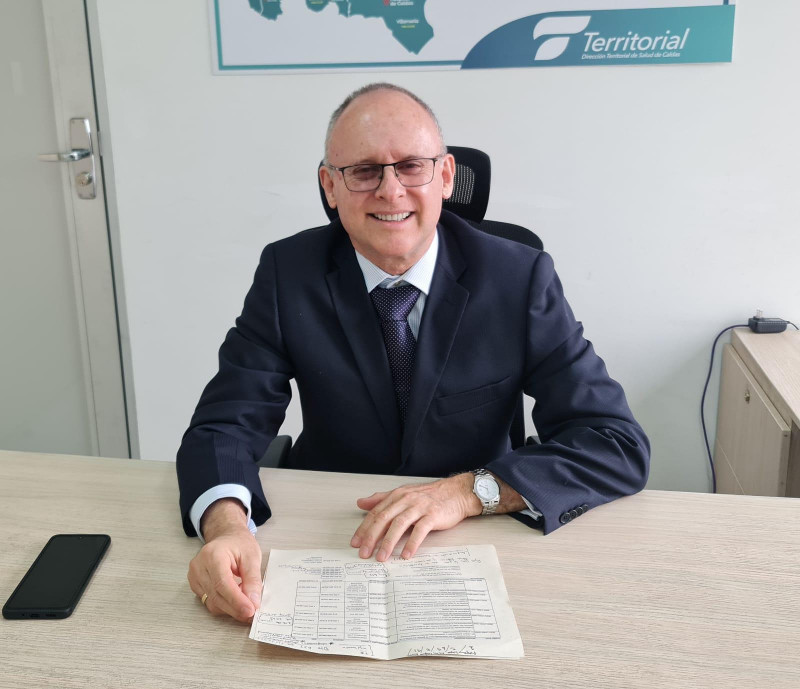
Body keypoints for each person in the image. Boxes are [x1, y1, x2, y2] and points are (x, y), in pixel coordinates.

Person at [176, 83, 650, 622]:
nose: (390, 190)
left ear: (445, 176)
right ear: (330, 186)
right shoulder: (289, 274)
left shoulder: (518, 278)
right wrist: (226, 526)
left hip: (480, 538)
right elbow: (224, 425)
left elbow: (615, 442)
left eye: (410, 167)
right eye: (363, 171)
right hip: (334, 534)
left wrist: (465, 494)